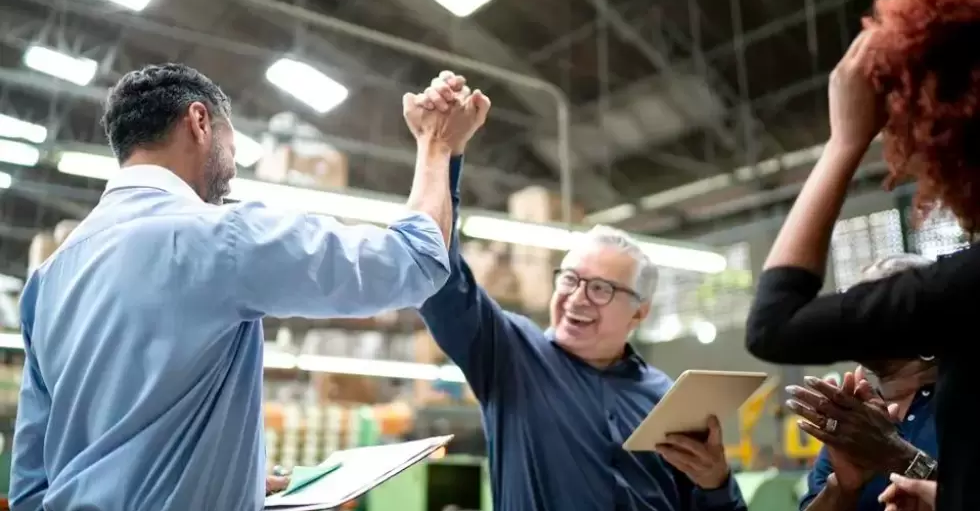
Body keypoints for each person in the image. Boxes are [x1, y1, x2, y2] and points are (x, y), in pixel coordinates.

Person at [10, 63, 486, 510]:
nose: (233, 167)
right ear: (199, 121)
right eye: (233, 144)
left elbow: (31, 487)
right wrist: (436, 144)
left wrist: (226, 479)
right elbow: (416, 261)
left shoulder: (48, 279)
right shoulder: (222, 238)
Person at [412, 71, 746, 511]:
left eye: (601, 288)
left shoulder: (667, 399)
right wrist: (440, 151)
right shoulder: (511, 357)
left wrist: (716, 483)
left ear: (639, 313)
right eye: (569, 279)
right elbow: (437, 278)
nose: (576, 296)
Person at [744, 0, 980, 510]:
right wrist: (851, 482)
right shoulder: (859, 412)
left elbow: (774, 323)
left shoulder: (964, 293)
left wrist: (845, 142)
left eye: (881, 296)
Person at [788, 256, 939, 511]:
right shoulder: (856, 419)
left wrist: (898, 456)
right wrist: (842, 487)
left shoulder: (966, 400)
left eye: (873, 299)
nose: (855, 312)